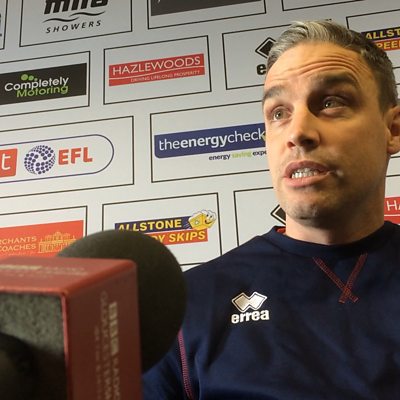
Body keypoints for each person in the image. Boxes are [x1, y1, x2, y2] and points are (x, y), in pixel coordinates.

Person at [142, 20, 400, 399]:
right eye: (278, 113)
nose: (298, 132)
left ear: (392, 130)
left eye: (331, 102)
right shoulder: (187, 306)